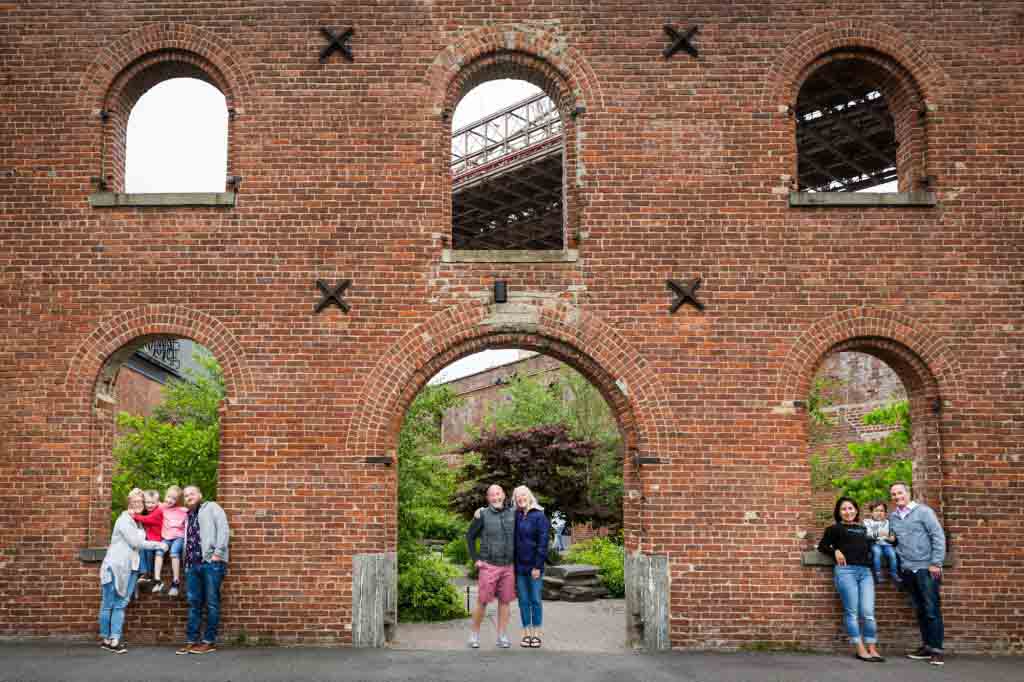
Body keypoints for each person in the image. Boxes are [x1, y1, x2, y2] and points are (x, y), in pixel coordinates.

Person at [98, 488, 168, 654]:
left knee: (121, 605)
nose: (138, 504)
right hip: (115, 567)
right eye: (134, 502)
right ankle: (105, 639)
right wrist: (159, 545)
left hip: (132, 569)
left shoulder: (139, 521)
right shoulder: (124, 519)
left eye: (140, 502)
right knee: (108, 604)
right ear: (129, 503)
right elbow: (135, 542)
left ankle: (115, 639)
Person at [818, 496, 884, 662]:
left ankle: (872, 648)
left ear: (856, 510)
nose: (848, 512)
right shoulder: (834, 529)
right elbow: (822, 546)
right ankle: (860, 648)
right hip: (846, 572)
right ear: (839, 512)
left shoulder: (863, 529)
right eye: (844, 509)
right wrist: (835, 551)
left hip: (865, 572)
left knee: (868, 612)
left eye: (851, 508)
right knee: (852, 612)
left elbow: (875, 544)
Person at [889, 481, 946, 666]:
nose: (897, 497)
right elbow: (894, 541)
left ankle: (937, 650)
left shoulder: (924, 512)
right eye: (894, 495)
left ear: (908, 493)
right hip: (908, 569)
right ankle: (927, 646)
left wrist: (936, 562)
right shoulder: (893, 518)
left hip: (926, 568)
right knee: (920, 610)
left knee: (931, 610)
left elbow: (937, 535)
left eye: (900, 493)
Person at [175, 485, 230, 655]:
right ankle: (192, 641)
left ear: (200, 494)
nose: (189, 496)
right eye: (186, 495)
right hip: (192, 565)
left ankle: (209, 641)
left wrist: (218, 553)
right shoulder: (188, 515)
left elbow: (223, 529)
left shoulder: (212, 507)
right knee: (194, 604)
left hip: (210, 563)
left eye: (192, 493)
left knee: (212, 603)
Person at [465, 484, 516, 649]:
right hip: (489, 565)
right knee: (483, 601)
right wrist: (476, 558)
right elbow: (470, 536)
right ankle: (474, 635)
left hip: (508, 566)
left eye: (498, 493)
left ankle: (501, 636)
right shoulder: (482, 515)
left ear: (503, 495)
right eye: (492, 495)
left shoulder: (513, 514)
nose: (495, 497)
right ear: (488, 498)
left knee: (505, 602)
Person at [512, 485, 549, 649]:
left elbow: (543, 543)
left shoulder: (539, 516)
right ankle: (526, 634)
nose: (521, 498)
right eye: (518, 496)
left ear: (529, 496)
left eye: (523, 495)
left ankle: (537, 634)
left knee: (535, 600)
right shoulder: (516, 515)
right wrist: (480, 512)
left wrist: (537, 566)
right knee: (523, 601)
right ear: (515, 499)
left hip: (534, 566)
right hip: (519, 567)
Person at [152, 485, 188, 596]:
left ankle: (176, 581)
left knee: (174, 552)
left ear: (178, 500)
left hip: (178, 537)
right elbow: (150, 501)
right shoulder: (162, 507)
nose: (170, 500)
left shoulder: (183, 510)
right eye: (168, 497)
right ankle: (157, 579)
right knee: (159, 551)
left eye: (173, 499)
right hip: (166, 537)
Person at [863, 501, 900, 585]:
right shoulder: (867, 522)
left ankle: (894, 573)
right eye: (876, 511)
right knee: (877, 552)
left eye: (881, 511)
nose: (879, 513)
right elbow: (867, 535)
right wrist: (878, 534)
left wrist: (891, 538)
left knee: (892, 554)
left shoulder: (888, 522)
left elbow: (892, 536)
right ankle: (878, 573)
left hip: (886, 544)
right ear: (871, 513)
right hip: (875, 543)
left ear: (885, 513)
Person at [132, 489, 163, 585]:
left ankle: (148, 573)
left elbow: (147, 519)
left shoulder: (158, 511)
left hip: (157, 540)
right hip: (149, 539)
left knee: (149, 552)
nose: (149, 505)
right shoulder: (149, 510)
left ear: (158, 503)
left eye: (152, 503)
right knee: (141, 549)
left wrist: (133, 515)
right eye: (147, 502)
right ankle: (144, 572)